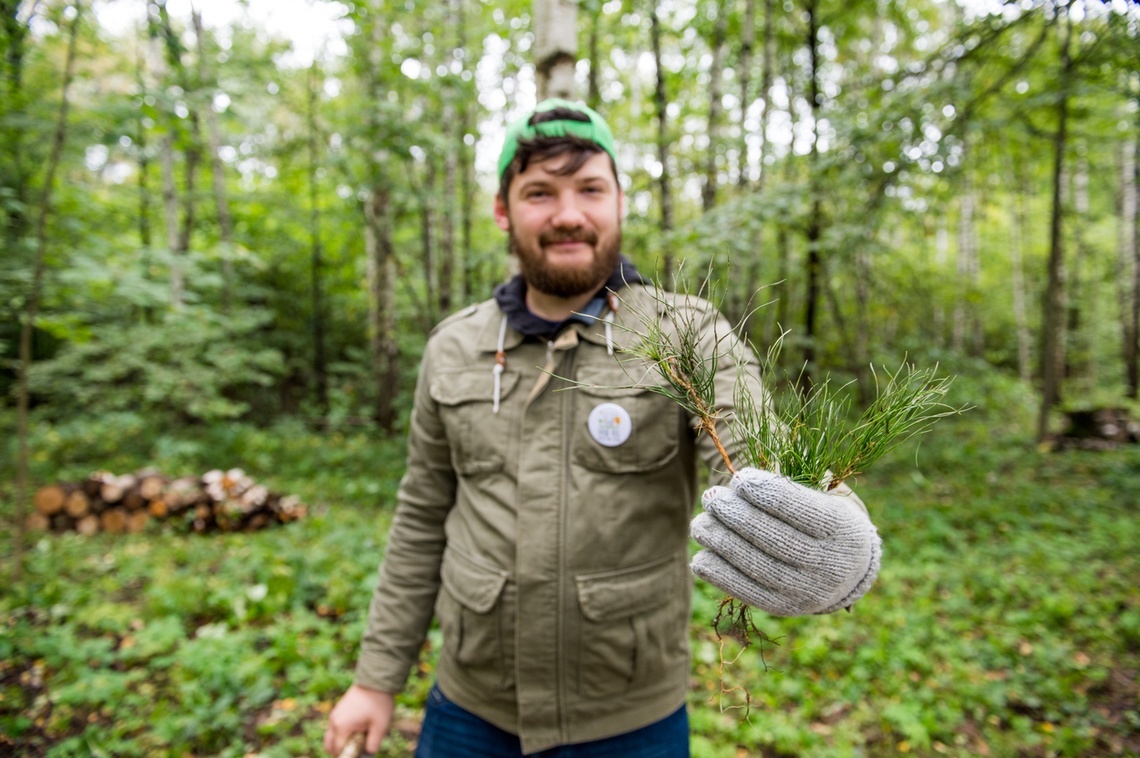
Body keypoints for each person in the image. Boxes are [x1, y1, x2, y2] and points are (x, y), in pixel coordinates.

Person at [323, 99, 881, 758]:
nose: (567, 214)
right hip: (468, 710)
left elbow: (761, 463)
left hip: (629, 721)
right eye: (539, 192)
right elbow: (421, 518)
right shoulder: (454, 347)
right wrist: (376, 679)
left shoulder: (688, 337)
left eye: (590, 188)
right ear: (503, 211)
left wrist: (839, 542)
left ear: (620, 202)